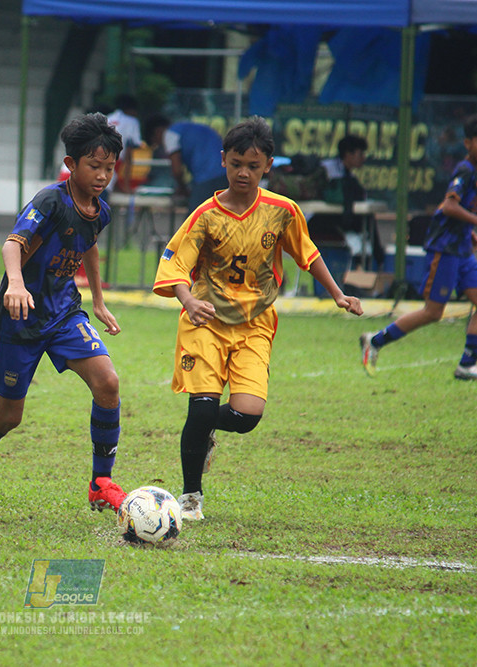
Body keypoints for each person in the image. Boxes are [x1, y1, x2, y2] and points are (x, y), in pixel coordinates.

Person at [153, 117, 363, 521]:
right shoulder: (206, 215)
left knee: (246, 416)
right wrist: (187, 300)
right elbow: (176, 264)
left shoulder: (283, 212)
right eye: (235, 164)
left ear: (268, 164)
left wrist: (337, 294)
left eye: (252, 165)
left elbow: (308, 253)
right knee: (200, 409)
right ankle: (191, 497)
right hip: (206, 322)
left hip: (254, 325)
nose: (243, 173)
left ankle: (204, 431)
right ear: (223, 162)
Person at [0, 112, 127, 516]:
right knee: (9, 416)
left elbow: (89, 246)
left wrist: (97, 300)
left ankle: (101, 483)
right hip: (20, 319)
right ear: (71, 166)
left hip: (64, 313)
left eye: (109, 168)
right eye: (93, 166)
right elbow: (13, 243)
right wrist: (15, 283)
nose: (102, 176)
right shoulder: (51, 200)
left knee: (108, 383)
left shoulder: (99, 210)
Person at [360, 114, 477, 380]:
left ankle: (467, 365)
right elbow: (449, 206)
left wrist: (470, 232)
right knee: (433, 312)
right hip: (446, 250)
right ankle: (375, 341)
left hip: (461, 249)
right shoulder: (464, 170)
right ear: (467, 143)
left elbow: (457, 210)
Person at [318, 134, 385, 269]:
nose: (363, 158)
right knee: (366, 222)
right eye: (360, 154)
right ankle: (377, 261)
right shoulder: (327, 169)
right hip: (321, 219)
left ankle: (369, 264)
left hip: (340, 218)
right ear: (348, 154)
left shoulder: (350, 175)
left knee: (367, 221)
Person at [144, 113, 227, 212]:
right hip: (226, 172)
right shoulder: (189, 128)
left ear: (157, 132)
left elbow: (177, 170)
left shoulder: (170, 134)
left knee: (195, 221)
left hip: (207, 177)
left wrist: (182, 187)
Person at [106, 93, 142, 195]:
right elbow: (128, 157)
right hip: (109, 167)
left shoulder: (106, 118)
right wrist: (127, 187)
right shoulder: (131, 121)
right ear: (132, 110)